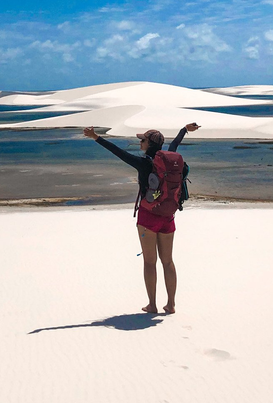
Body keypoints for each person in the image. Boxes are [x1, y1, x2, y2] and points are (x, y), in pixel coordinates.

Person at [83, 123, 200, 314]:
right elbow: (175, 144)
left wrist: (96, 137)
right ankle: (171, 304)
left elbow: (118, 152)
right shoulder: (168, 160)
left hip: (148, 217)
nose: (140, 143)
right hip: (168, 216)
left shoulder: (144, 163)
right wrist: (184, 130)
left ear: (149, 144)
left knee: (149, 262)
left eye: (142, 140)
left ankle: (152, 305)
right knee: (168, 261)